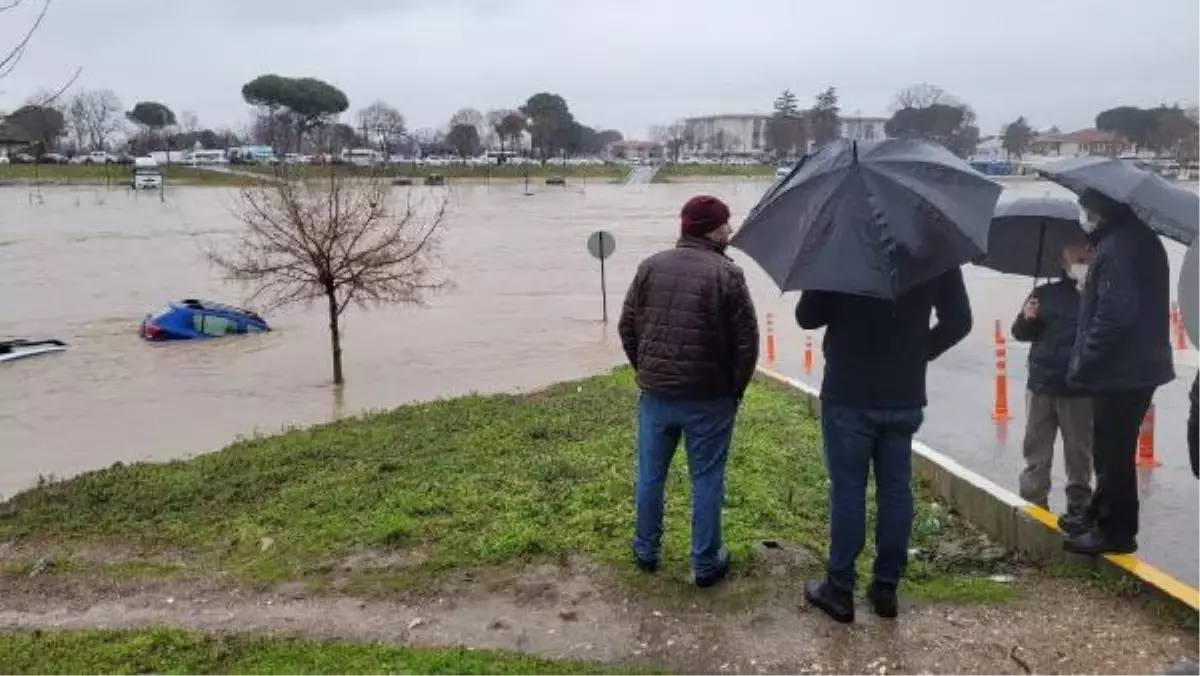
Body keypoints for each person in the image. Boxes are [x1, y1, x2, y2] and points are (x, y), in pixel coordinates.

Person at [796, 269, 972, 623]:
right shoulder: (931, 248)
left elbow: (807, 317)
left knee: (848, 490)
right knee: (896, 490)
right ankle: (886, 587)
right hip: (903, 393)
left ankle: (840, 588)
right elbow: (960, 320)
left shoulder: (844, 245)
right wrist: (920, 350)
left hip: (849, 392)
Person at [617, 195, 759, 588]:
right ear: (711, 229)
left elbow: (627, 326)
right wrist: (734, 391)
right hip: (710, 399)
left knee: (650, 476)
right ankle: (706, 563)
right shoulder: (728, 276)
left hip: (656, 397)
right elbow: (747, 344)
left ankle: (645, 551)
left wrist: (646, 371)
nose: (730, 230)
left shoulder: (650, 267)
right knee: (707, 479)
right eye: (726, 224)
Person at [1059, 189, 1174, 555]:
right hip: (1135, 364)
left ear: (1103, 209)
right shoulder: (1131, 238)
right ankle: (1097, 513)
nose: (1084, 216)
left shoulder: (1119, 246)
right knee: (1107, 446)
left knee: (1113, 451)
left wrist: (1086, 358)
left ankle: (1116, 531)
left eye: (1087, 209)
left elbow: (1115, 314)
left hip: (1124, 368)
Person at [1011, 243, 1094, 515]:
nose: (1081, 260)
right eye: (1075, 256)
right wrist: (1027, 318)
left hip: (1078, 388)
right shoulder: (1043, 293)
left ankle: (1079, 507)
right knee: (1036, 450)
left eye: (1085, 256)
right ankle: (1034, 504)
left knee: (1079, 453)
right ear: (1062, 261)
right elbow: (1020, 333)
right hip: (1041, 384)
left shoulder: (1098, 294)